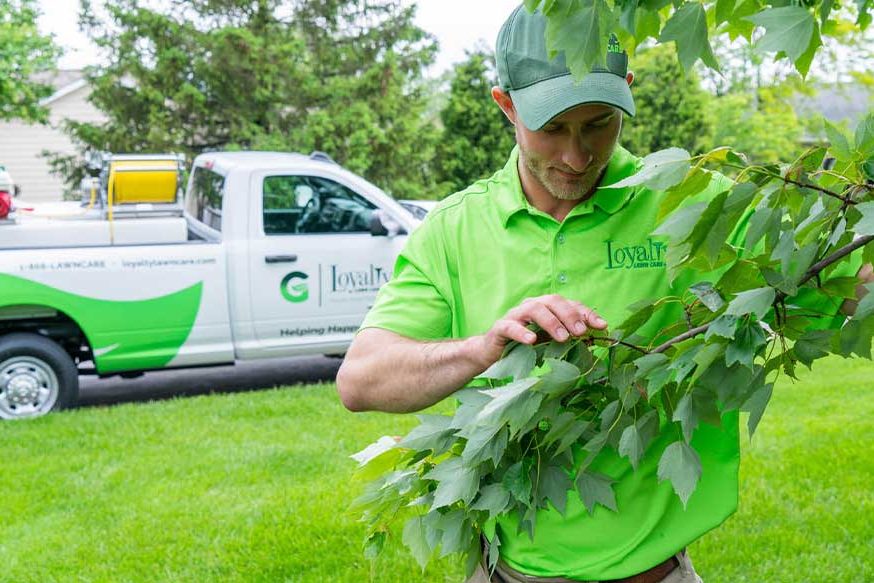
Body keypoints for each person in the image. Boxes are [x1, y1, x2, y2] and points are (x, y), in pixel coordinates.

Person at [337, 4, 864, 583]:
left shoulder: (698, 205)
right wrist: (481, 348)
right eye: (553, 128)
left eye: (598, 124)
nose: (576, 155)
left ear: (626, 96)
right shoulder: (455, 229)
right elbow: (361, 380)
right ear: (505, 105)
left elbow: (850, 283)